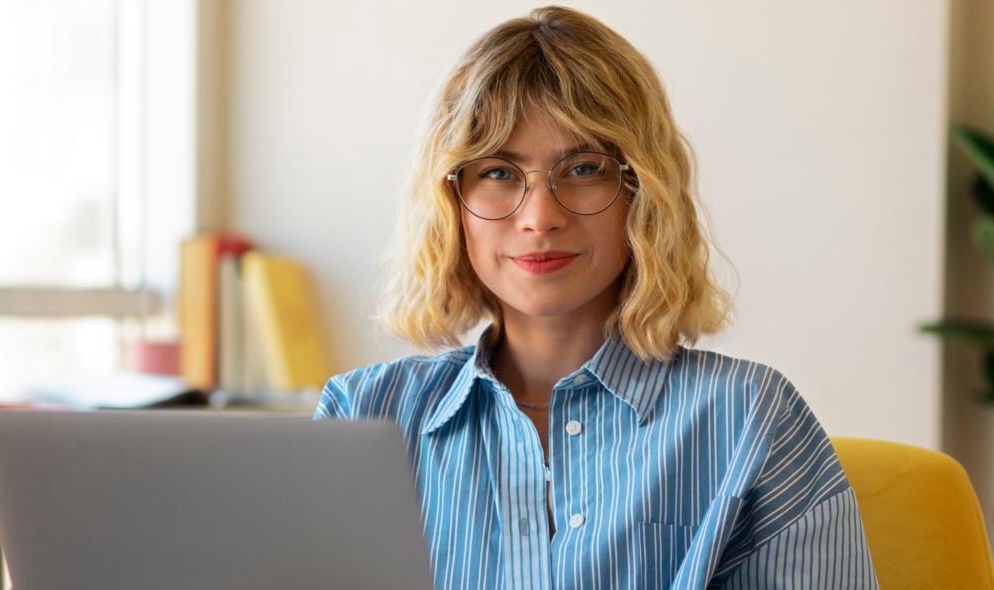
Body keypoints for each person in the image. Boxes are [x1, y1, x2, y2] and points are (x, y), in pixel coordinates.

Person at [314, 6, 878, 590]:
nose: (539, 218)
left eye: (584, 168)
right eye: (499, 173)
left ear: (643, 193)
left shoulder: (750, 421)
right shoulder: (362, 416)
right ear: (451, 203)